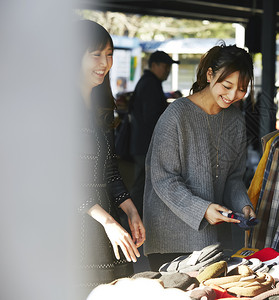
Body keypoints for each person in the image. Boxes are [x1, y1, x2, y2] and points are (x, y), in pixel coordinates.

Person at [142, 43, 257, 271]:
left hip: (213, 241)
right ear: (210, 74)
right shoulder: (176, 115)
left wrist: (243, 205)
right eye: (227, 85)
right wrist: (202, 210)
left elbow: (233, 177)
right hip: (170, 240)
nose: (233, 95)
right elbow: (164, 180)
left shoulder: (235, 119)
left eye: (242, 89)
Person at [76, 19, 146, 297]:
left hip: (105, 227)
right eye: (96, 54)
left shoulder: (100, 107)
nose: (105, 63)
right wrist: (107, 221)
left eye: (109, 54)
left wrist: (130, 211)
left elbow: (110, 171)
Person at [129, 50, 179, 218]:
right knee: (143, 185)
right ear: (154, 65)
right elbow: (151, 117)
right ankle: (132, 218)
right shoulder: (150, 84)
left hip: (143, 143)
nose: (167, 71)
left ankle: (133, 217)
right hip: (145, 144)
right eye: (165, 66)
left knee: (143, 184)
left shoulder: (149, 82)